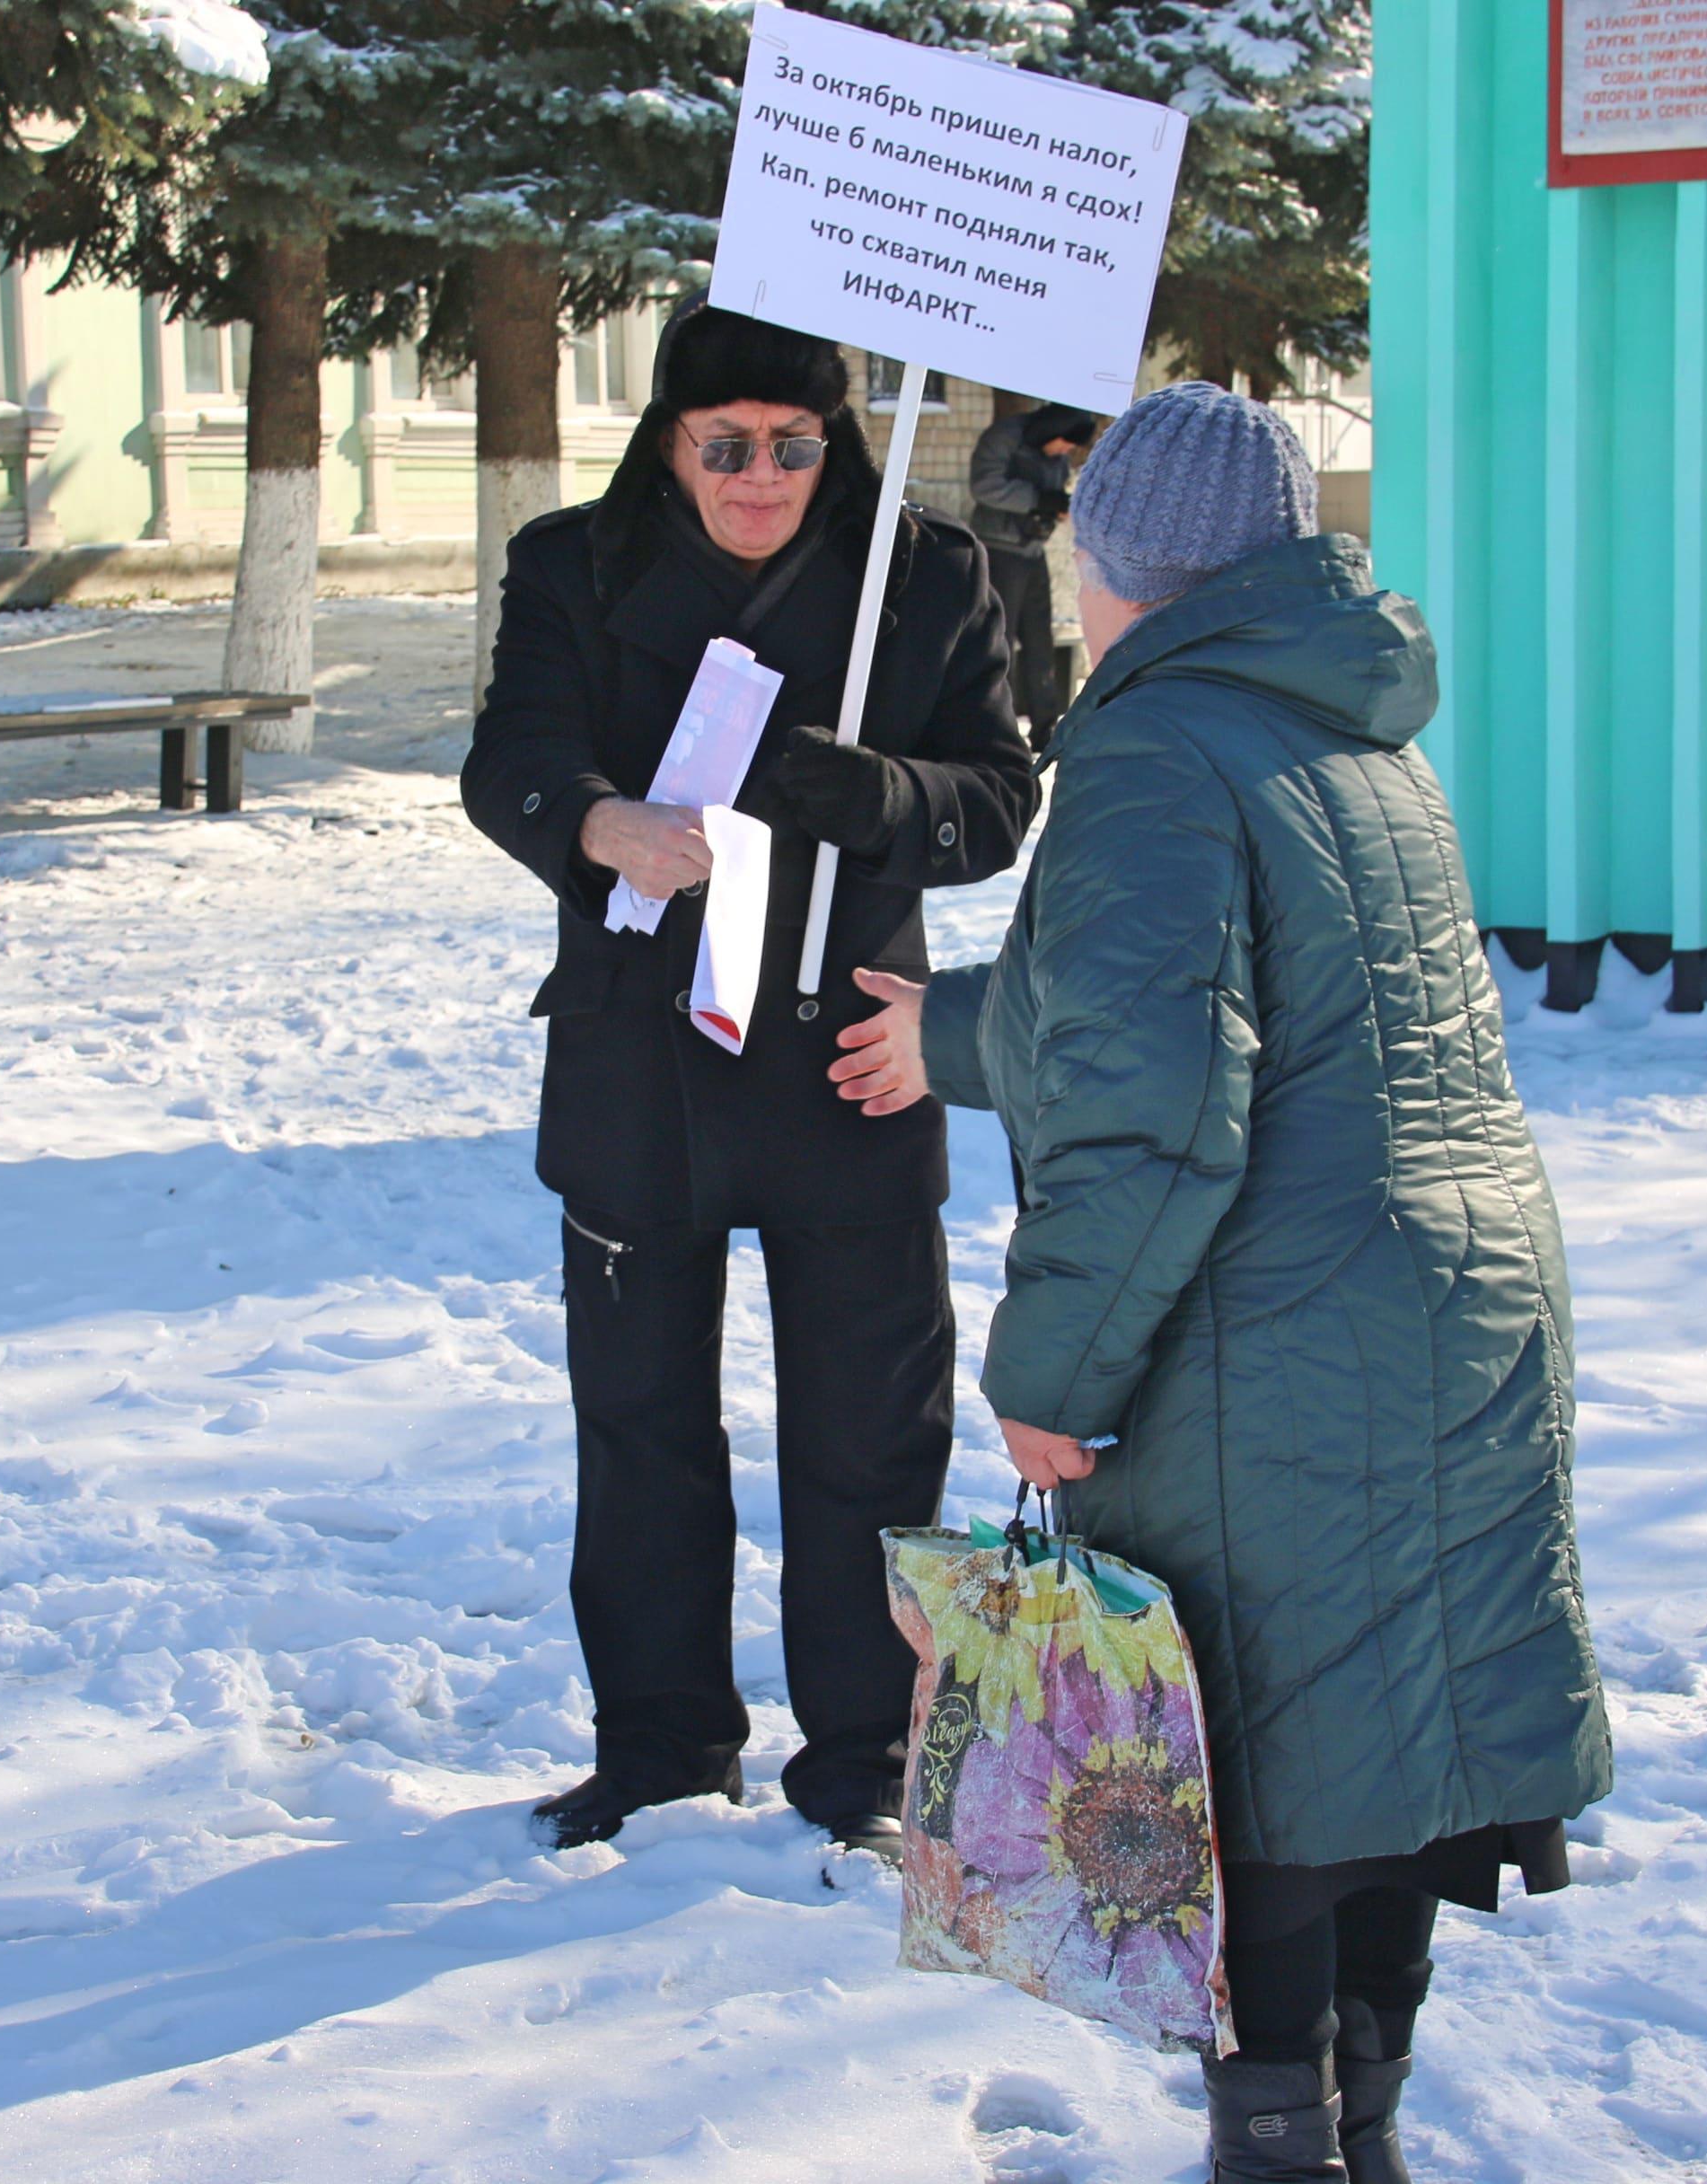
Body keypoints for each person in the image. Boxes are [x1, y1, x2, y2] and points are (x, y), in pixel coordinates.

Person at [827, 383, 1615, 2183]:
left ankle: (1278, 2153)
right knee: (1374, 1768)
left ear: (1125, 564)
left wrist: (1056, 1372)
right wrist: (947, 1026)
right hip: (1443, 1309)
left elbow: (1158, 1103)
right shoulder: (1346, 726)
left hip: (1271, 1344)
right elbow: (1205, 1004)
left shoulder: (1151, 747)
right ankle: (1362, 2135)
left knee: (1241, 1785)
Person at [461, 299, 1040, 1858]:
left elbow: (997, 800)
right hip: (640, 1055)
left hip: (850, 1052)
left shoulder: (923, 578)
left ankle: (862, 1754)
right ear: (667, 440)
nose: (760, 474)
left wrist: (885, 793)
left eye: (794, 444)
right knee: (640, 1424)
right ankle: (657, 1746)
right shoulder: (571, 565)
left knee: (867, 1431)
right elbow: (507, 754)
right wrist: (593, 825)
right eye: (723, 444)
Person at [967, 401, 1096, 747]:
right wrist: (1040, 500)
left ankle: (1046, 727)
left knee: (1041, 640)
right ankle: (996, 726)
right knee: (999, 640)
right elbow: (984, 485)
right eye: (1065, 444)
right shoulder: (1006, 438)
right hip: (999, 550)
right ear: (1052, 431)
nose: (1066, 452)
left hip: (1032, 549)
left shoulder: (1054, 453)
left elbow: (1051, 492)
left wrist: (1057, 506)